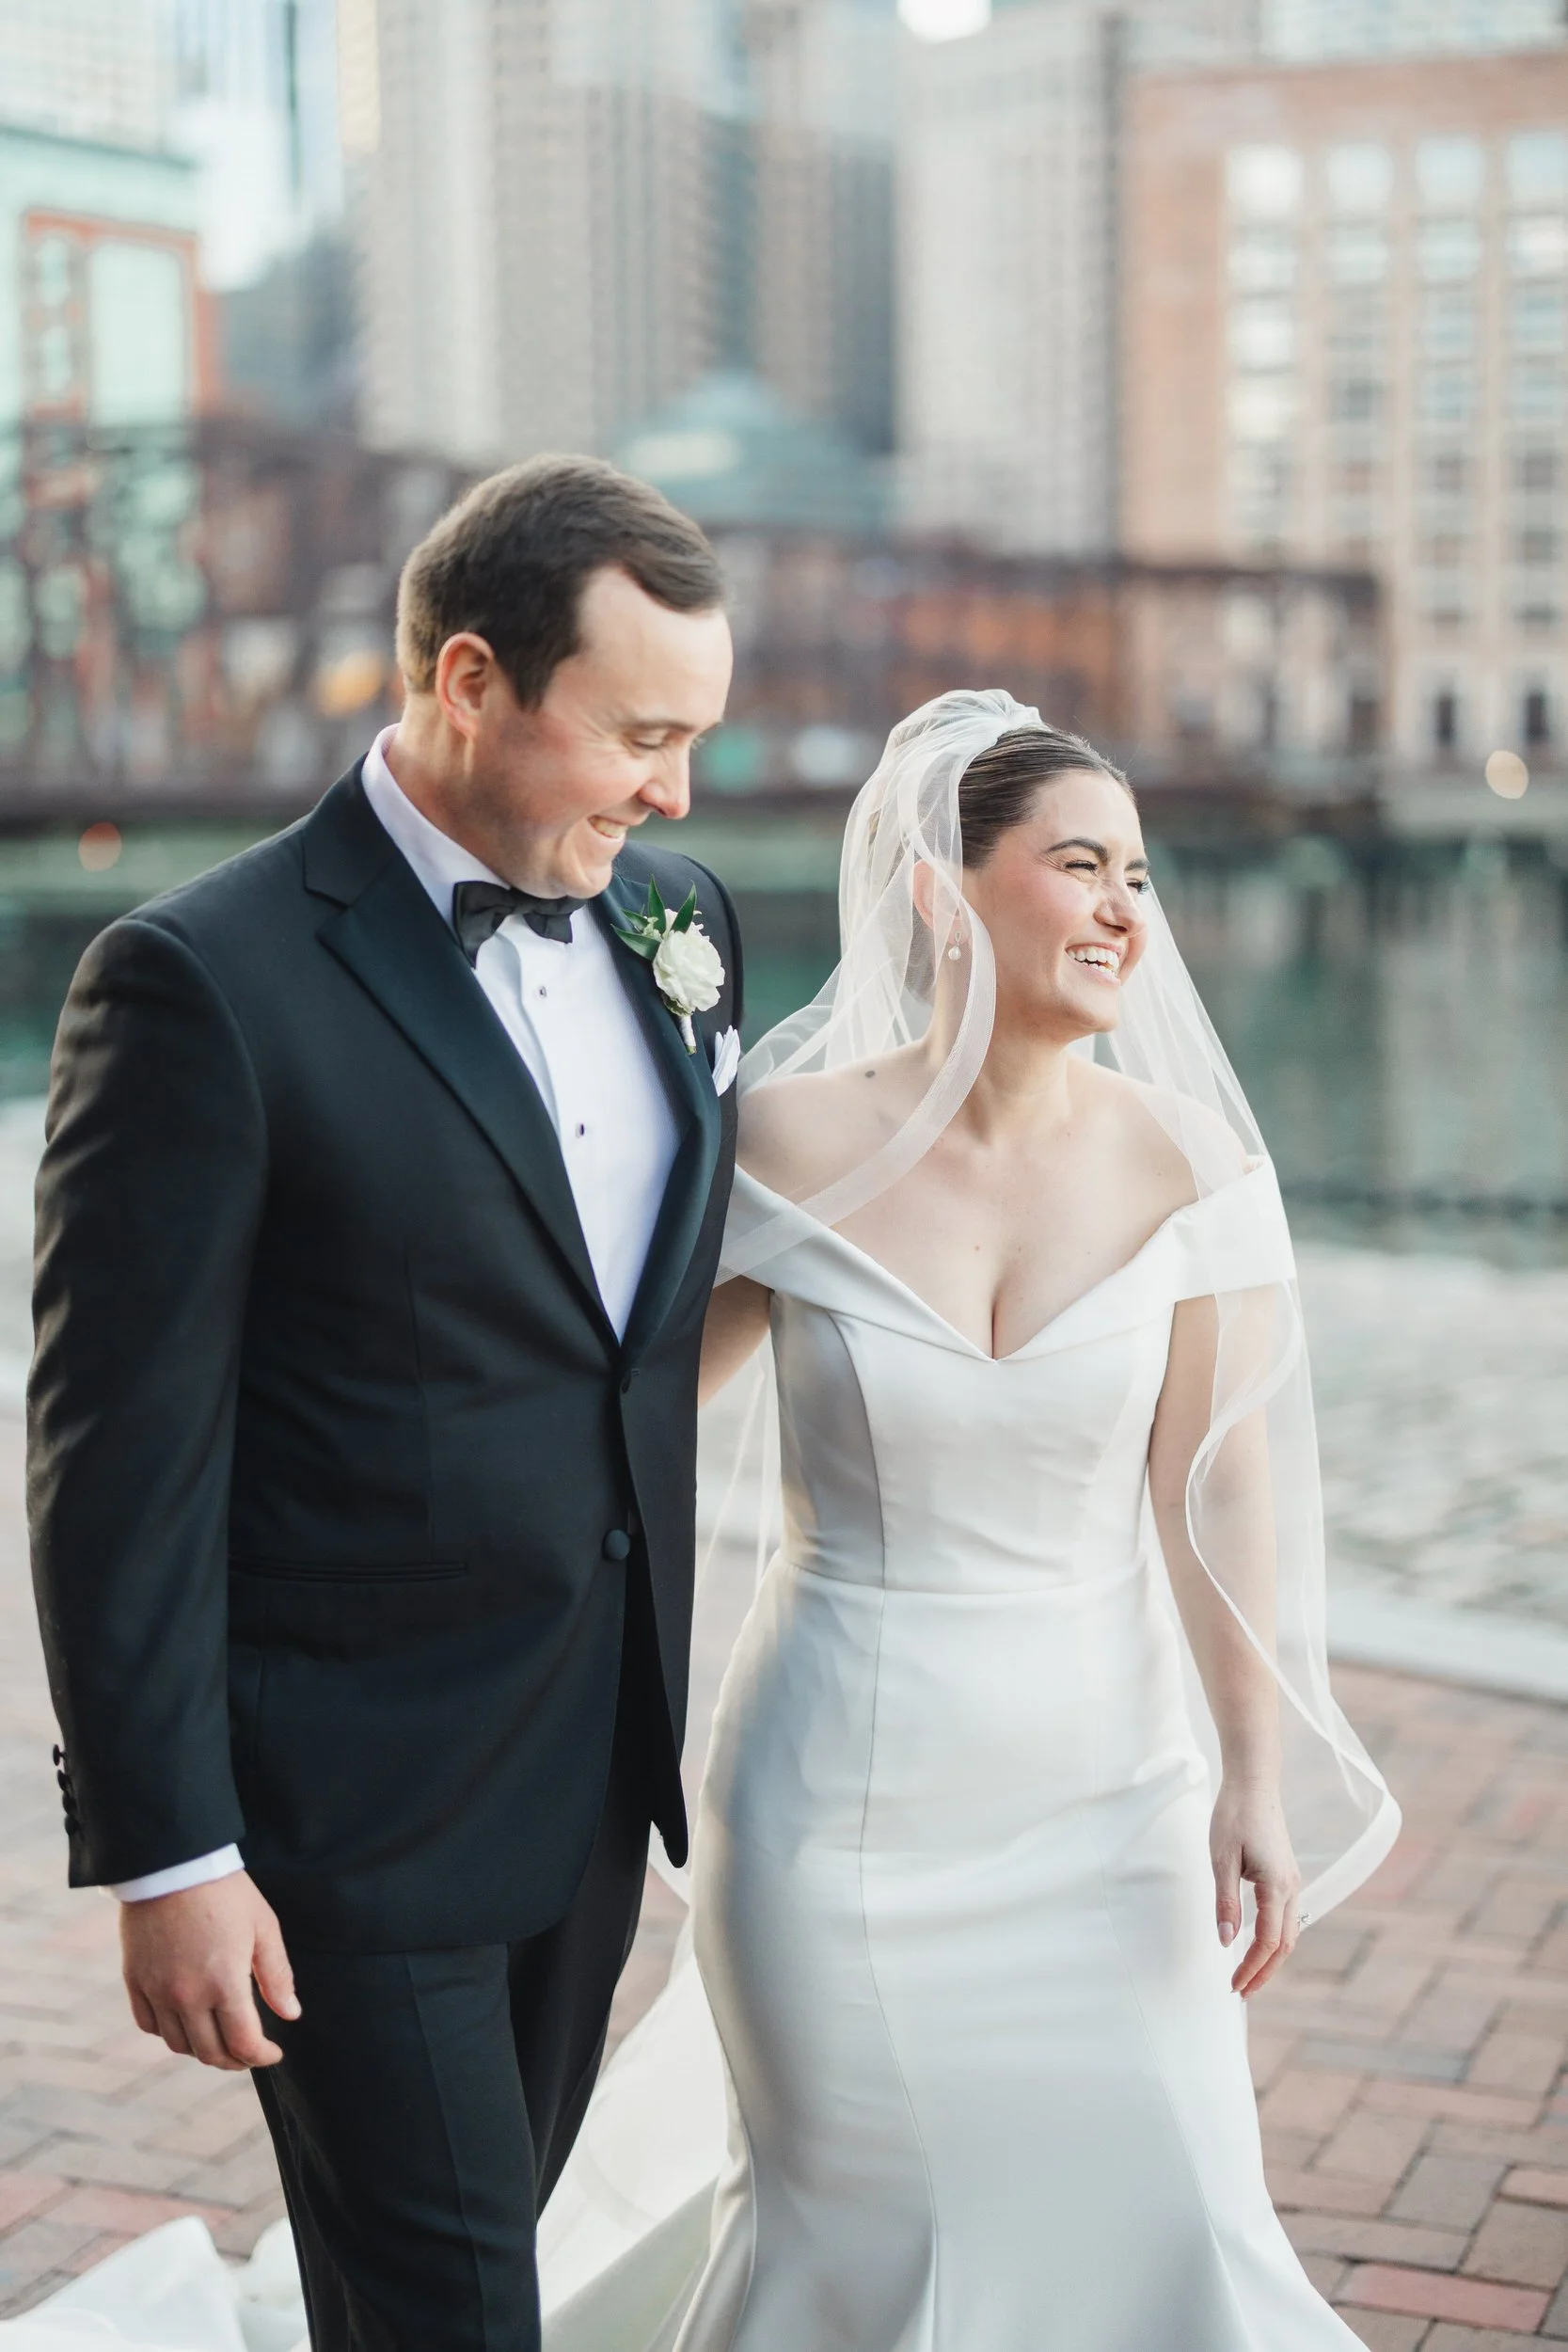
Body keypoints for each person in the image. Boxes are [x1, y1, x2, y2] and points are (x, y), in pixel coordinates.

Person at [536, 689, 1399, 2350]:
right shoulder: (781, 1145)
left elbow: (1214, 1485)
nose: (1122, 914)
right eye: (1079, 866)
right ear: (942, 887)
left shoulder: (1194, 1165)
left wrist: (1253, 1778)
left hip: (1111, 1809)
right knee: (857, 2235)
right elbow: (624, 1418)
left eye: (1136, 878)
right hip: (829, 1814)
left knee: (1171, 2209)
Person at [28, 454, 741, 2352]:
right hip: (346, 1812)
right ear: (469, 684)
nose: (676, 787)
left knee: (424, 2291)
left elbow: (627, 1328)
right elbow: (120, 1461)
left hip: (588, 1781)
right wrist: (171, 1852)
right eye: (641, 732)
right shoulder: (199, 983)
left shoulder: (679, 925)